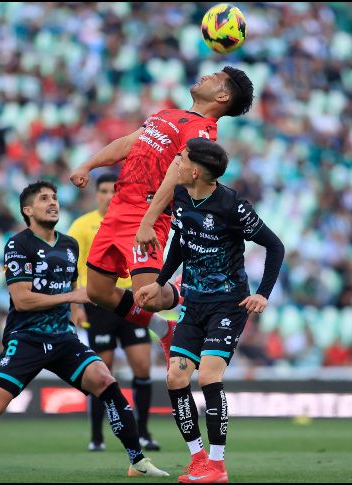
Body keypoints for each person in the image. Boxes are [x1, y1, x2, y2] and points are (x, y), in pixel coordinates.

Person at [0, 181, 168, 478]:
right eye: (44, 199)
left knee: (106, 381)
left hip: (63, 338)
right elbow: (22, 300)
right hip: (26, 339)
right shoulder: (18, 244)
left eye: (54, 197)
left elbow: (75, 286)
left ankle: (137, 461)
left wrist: (76, 305)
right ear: (28, 210)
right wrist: (71, 298)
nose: (53, 202)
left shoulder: (69, 245)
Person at [69, 67, 254, 365]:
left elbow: (179, 173)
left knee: (149, 297)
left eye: (216, 78)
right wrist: (87, 165)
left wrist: (147, 222)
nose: (206, 75)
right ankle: (163, 329)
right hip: (119, 206)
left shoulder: (203, 130)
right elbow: (130, 143)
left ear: (222, 96)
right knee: (98, 291)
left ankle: (185, 288)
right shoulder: (167, 114)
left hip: (147, 212)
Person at [136, 138, 284, 483]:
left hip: (228, 304)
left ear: (196, 171)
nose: (176, 164)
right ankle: (199, 458)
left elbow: (275, 245)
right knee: (175, 377)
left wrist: (262, 294)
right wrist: (159, 282)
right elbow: (181, 243)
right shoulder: (181, 196)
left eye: (181, 160)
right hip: (193, 301)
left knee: (207, 376)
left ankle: (218, 466)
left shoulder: (232, 205)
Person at [68, 173, 160, 452]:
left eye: (113, 191)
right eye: (104, 191)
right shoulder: (82, 225)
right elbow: (71, 266)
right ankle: (97, 436)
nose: (109, 196)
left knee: (142, 365)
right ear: (96, 194)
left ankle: (143, 432)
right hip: (98, 305)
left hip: (131, 300)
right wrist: (75, 305)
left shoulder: (136, 222)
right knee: (102, 370)